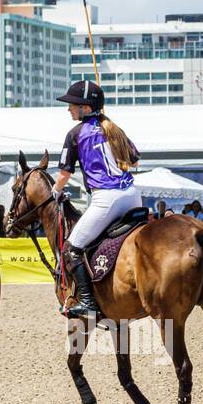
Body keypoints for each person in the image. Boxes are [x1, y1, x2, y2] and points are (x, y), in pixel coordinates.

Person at [48, 80, 145, 319]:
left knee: (71, 248)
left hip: (106, 198)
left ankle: (89, 303)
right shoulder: (114, 128)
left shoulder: (75, 134)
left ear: (86, 108)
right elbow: (134, 162)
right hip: (133, 196)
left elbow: (63, 175)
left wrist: (56, 192)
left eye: (73, 104)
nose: (68, 109)